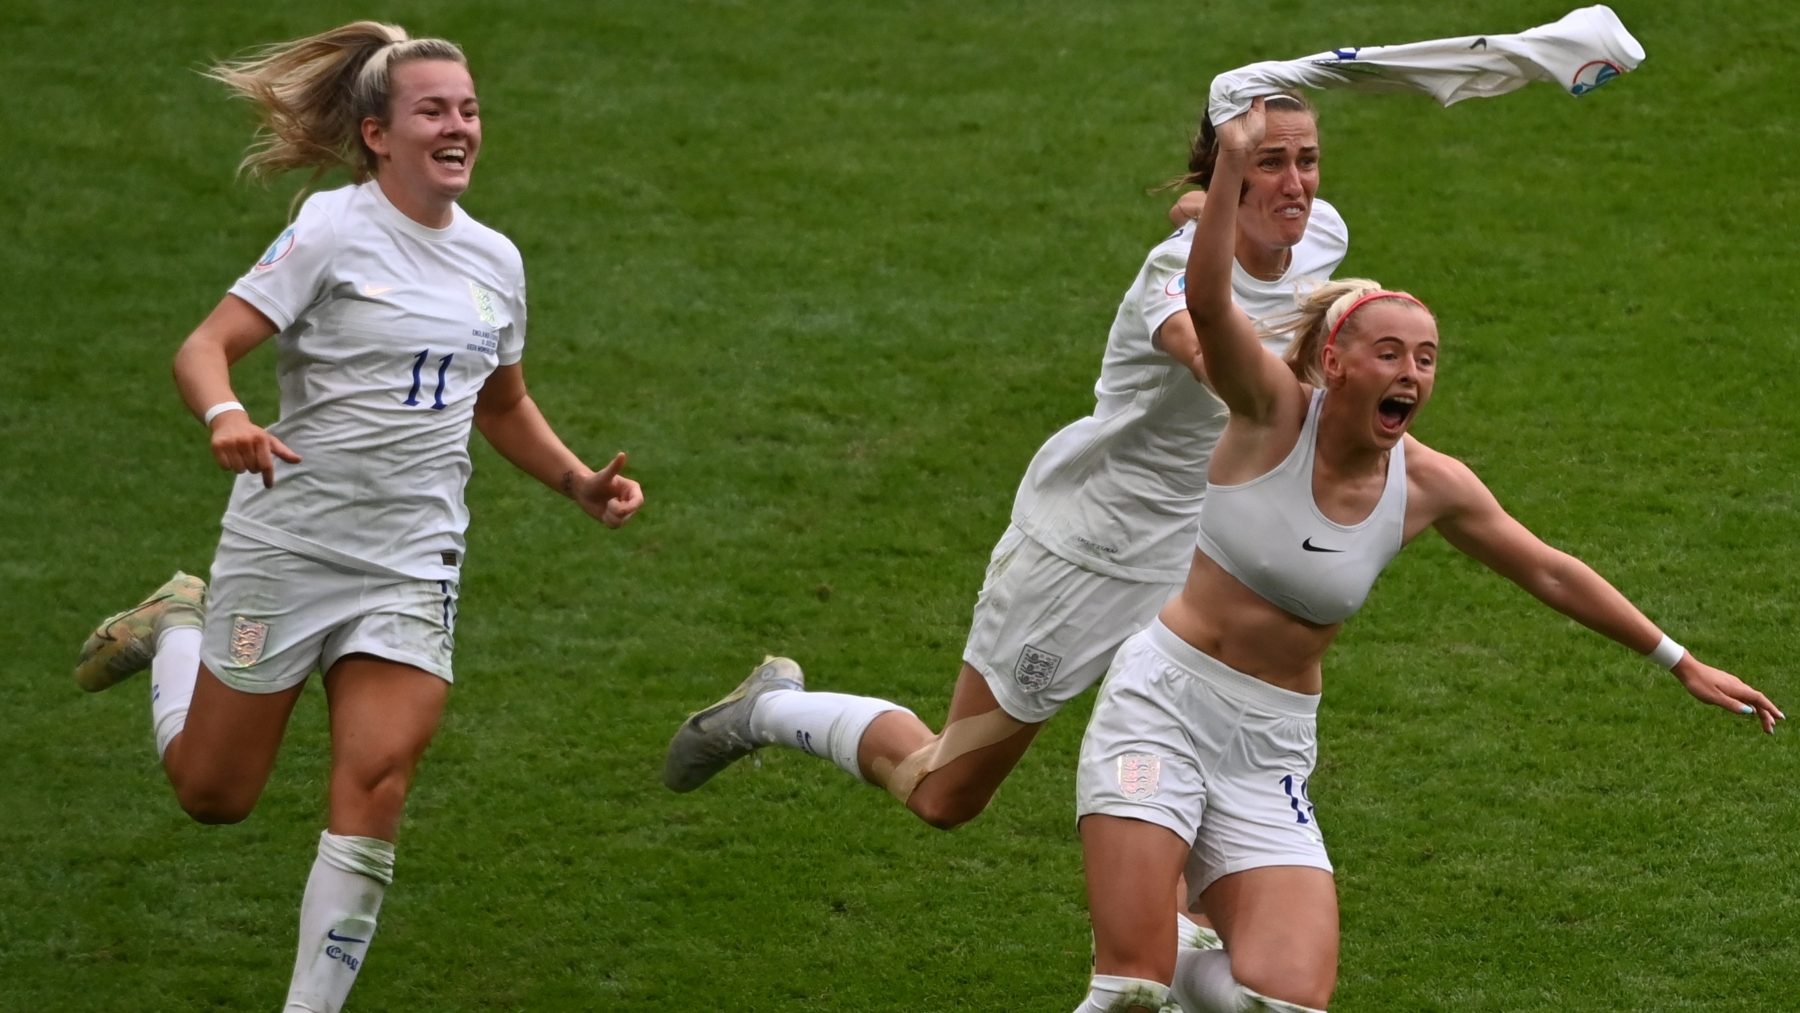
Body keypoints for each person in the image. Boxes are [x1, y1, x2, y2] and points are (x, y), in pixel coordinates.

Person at [1070, 98, 1782, 1013]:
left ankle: (1181, 961)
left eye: (1427, 358)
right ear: (1334, 361)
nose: (1410, 372)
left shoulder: (1430, 483)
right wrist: (1230, 173)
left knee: (1285, 1002)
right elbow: (1208, 305)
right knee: (1129, 989)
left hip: (1270, 744)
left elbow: (1548, 567)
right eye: (1389, 353)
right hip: (1163, 705)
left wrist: (1679, 660)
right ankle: (1160, 962)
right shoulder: (1271, 413)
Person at [663, 94, 1339, 957]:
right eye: (1269, 163)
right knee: (945, 788)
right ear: (1230, 171)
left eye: (1306, 160)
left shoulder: (1319, 233)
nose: (1296, 185)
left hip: (1204, 559)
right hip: (1090, 548)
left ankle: (1168, 962)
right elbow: (1217, 359)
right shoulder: (1170, 281)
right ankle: (770, 708)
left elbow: (1223, 219)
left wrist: (1218, 201)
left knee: (1196, 793)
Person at [70, 22, 643, 1013]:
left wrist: (577, 481)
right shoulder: (333, 228)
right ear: (378, 135)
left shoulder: (496, 260)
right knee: (214, 793)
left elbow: (500, 402)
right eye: (434, 111)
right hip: (290, 545)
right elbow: (204, 347)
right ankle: (176, 625)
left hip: (413, 560)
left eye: (469, 110)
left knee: (377, 782)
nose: (459, 127)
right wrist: (227, 416)